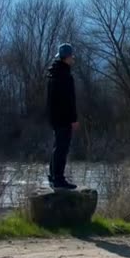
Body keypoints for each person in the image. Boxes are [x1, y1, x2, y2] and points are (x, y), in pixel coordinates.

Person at [46, 43, 79, 190]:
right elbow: (69, 100)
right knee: (62, 148)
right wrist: (73, 119)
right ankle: (59, 178)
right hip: (64, 118)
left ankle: (53, 176)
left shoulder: (54, 73)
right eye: (71, 56)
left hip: (55, 117)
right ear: (67, 57)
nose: (73, 59)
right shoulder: (64, 75)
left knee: (57, 147)